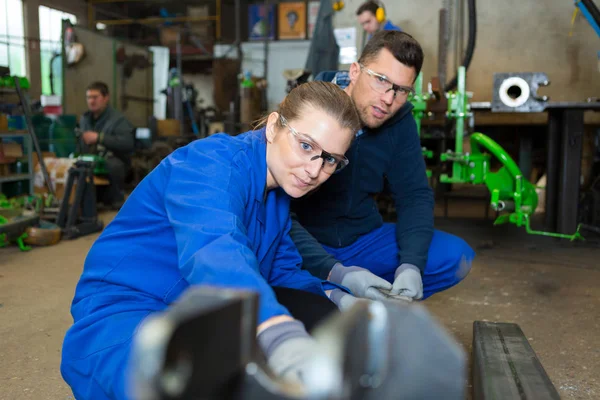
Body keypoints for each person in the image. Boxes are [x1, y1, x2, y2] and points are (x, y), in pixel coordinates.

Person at [60, 81, 365, 400]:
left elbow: (283, 270)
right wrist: (276, 329)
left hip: (200, 309)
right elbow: (216, 251)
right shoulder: (210, 162)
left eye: (330, 159)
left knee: (324, 317)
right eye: (306, 145)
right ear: (274, 126)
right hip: (129, 312)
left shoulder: (278, 194)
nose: (314, 169)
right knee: (175, 387)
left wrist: (340, 297)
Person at [290, 31, 475, 305]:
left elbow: (414, 195)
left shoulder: (399, 121)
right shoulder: (310, 105)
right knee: (262, 253)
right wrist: (338, 272)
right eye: (381, 80)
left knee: (456, 257)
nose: (389, 99)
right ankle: (329, 292)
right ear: (355, 71)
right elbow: (275, 206)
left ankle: (368, 300)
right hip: (306, 240)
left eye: (401, 90)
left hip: (363, 241)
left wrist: (411, 265)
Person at [79, 81, 135, 209]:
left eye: (95, 97)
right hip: (90, 160)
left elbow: (128, 143)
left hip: (114, 162)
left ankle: (115, 200)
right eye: (88, 97)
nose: (91, 101)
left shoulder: (118, 120)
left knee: (112, 165)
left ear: (106, 98)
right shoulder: (85, 119)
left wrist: (100, 138)